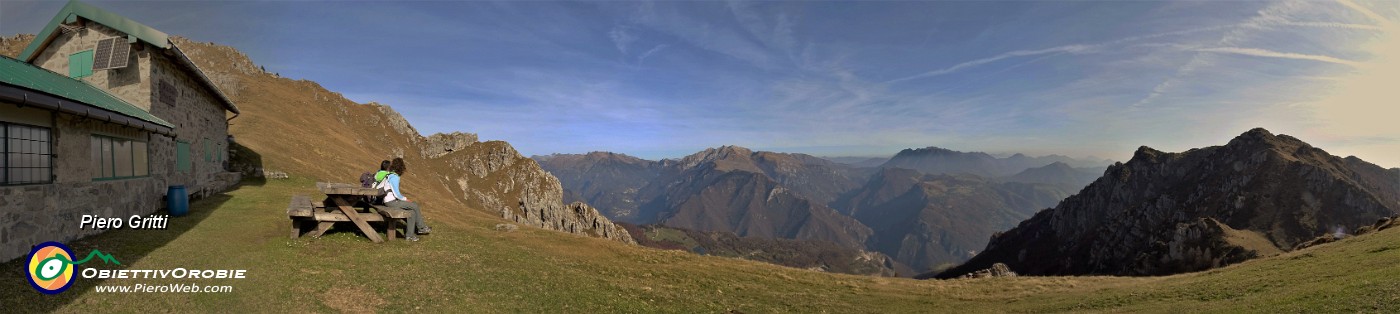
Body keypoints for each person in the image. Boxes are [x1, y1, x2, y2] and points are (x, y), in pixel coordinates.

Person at [381, 158, 431, 241]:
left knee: (411, 212)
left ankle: (409, 235)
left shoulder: (390, 175)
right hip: (391, 202)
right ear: (401, 168)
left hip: (389, 201)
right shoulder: (394, 177)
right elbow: (396, 194)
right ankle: (421, 228)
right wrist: (405, 199)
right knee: (414, 205)